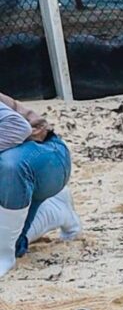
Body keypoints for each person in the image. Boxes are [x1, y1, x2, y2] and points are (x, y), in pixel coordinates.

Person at [0, 92, 81, 277]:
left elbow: (18, 127)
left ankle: (3, 255)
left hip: (45, 154)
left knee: (11, 165)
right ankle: (53, 207)